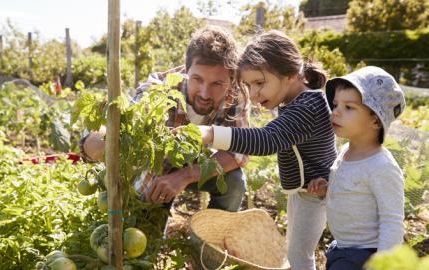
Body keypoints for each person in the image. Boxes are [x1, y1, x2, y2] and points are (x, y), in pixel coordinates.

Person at [197, 30, 337, 270]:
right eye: (248, 86)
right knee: (296, 251)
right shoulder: (298, 102)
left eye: (259, 83)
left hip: (314, 194)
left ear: (291, 74)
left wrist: (210, 134)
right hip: (305, 191)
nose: (253, 95)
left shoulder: (309, 106)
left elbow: (267, 139)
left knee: (299, 256)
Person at [79, 26, 249, 212]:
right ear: (186, 69)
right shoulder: (159, 91)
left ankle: (208, 239)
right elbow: (120, 132)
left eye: (217, 83)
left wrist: (184, 176)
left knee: (234, 182)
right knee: (147, 223)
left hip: (199, 164)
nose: (205, 93)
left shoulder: (235, 94)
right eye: (197, 79)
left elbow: (238, 152)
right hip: (158, 167)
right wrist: (97, 141)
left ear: (231, 78)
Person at [307, 66, 406, 270]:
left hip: (365, 255)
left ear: (375, 120)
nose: (335, 112)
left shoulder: (382, 167)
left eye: (349, 107)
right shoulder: (344, 151)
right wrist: (327, 190)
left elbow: (392, 222)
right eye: (335, 104)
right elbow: (354, 194)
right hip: (341, 248)